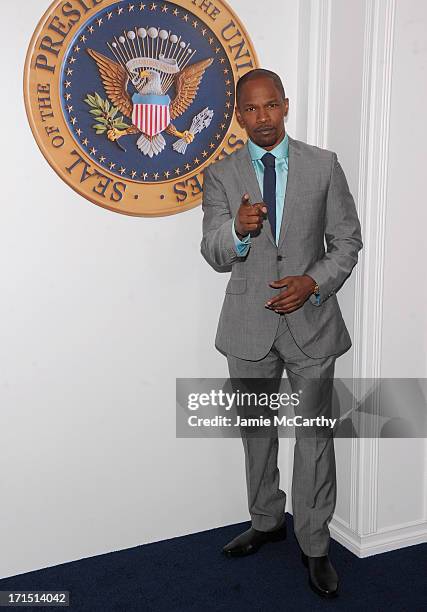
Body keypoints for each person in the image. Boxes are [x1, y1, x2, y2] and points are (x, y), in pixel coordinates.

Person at [200, 68, 362, 599]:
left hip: (312, 327)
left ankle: (315, 546)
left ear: (285, 106)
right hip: (248, 327)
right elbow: (213, 251)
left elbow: (346, 242)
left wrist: (312, 282)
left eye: (270, 106)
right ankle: (267, 520)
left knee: (316, 438)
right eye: (250, 110)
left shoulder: (323, 164)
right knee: (256, 434)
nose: (261, 118)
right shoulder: (222, 175)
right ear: (239, 115)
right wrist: (237, 233)